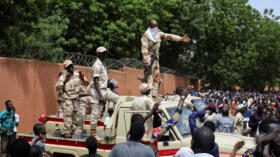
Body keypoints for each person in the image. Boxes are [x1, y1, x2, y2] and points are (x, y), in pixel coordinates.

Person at [128, 88, 188, 154]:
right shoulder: (150, 135)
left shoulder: (129, 135)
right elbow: (174, 119)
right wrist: (182, 98)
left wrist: (151, 112)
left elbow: (140, 122)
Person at [141, 20, 191, 97]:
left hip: (156, 59)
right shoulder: (146, 36)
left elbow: (169, 36)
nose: (155, 28)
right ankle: (149, 96)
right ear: (150, 27)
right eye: (154, 26)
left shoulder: (158, 34)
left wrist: (180, 38)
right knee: (150, 78)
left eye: (156, 26)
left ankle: (154, 95)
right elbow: (144, 49)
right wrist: (146, 61)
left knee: (157, 77)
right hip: (149, 59)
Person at [87, 47, 120, 141]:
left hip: (105, 90)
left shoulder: (102, 64)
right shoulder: (97, 65)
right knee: (95, 113)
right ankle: (93, 134)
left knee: (118, 99)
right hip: (98, 91)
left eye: (105, 53)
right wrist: (100, 95)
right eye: (102, 53)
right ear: (97, 54)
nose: (104, 55)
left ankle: (113, 120)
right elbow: (95, 80)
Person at [55, 59, 89, 138]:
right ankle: (67, 135)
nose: (70, 68)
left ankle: (71, 135)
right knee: (68, 119)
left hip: (76, 101)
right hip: (68, 100)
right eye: (68, 67)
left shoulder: (78, 75)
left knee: (76, 120)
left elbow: (86, 83)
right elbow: (57, 88)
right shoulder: (63, 77)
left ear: (73, 66)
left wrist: (82, 78)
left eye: (71, 66)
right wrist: (65, 82)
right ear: (65, 69)